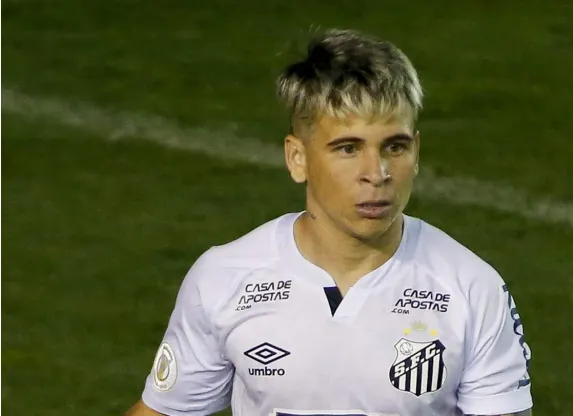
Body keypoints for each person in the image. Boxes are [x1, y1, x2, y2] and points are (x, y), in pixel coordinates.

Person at [125, 28, 533, 416]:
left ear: (417, 150)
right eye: (348, 148)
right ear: (297, 157)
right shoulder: (225, 278)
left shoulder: (471, 288)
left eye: (395, 146)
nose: (377, 173)